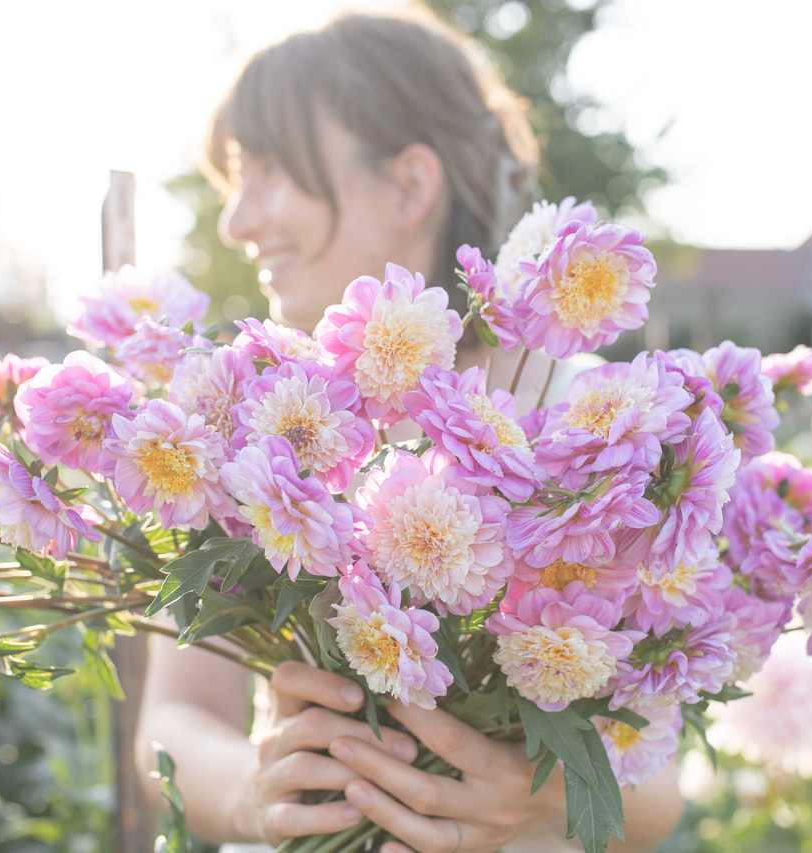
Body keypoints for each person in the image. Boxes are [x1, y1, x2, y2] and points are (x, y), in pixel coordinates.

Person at [137, 8, 684, 853]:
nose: (237, 221)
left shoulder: (592, 431)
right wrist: (255, 790)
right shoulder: (243, 424)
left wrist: (551, 799)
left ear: (409, 185)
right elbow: (173, 717)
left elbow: (661, 783)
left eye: (272, 169)